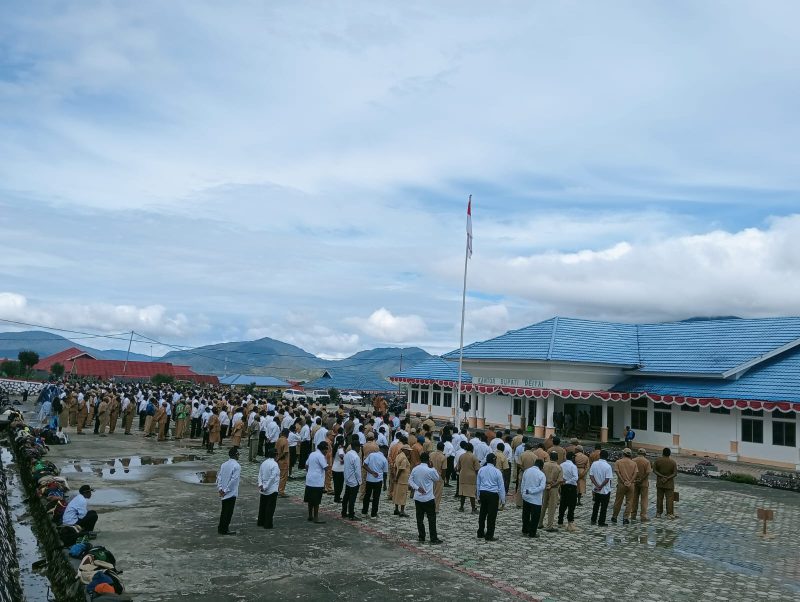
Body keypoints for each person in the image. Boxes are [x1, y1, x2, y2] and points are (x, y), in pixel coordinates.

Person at [408, 452, 442, 544]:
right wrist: (433, 467)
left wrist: (417, 488)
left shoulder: (415, 469)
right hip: (428, 498)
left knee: (419, 518)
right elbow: (437, 478)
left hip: (418, 497)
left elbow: (410, 480)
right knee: (431, 519)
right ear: (428, 460)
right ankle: (433, 538)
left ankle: (421, 536)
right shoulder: (430, 470)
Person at [476, 452, 505, 541]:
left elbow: (478, 484)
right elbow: (501, 487)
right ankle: (489, 535)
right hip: (493, 494)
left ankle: (480, 532)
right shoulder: (497, 471)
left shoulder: (481, 470)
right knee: (491, 516)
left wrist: (478, 496)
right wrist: (503, 500)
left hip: (483, 492)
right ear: (494, 461)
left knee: (482, 513)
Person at [216, 447, 241, 535]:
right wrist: (226, 490)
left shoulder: (224, 464)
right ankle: (225, 529)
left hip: (223, 491)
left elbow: (219, 477)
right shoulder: (236, 466)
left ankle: (221, 528)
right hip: (230, 492)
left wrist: (220, 489)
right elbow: (234, 480)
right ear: (236, 455)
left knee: (224, 510)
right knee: (228, 511)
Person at [520, 459, 546, 538]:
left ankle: (525, 530)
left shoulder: (527, 471)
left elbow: (522, 483)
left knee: (526, 515)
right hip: (536, 499)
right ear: (541, 466)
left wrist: (523, 493)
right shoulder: (541, 474)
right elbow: (542, 487)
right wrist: (532, 491)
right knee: (535, 517)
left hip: (526, 497)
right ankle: (532, 533)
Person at [611, 448, 638, 525]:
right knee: (629, 502)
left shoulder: (618, 462)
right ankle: (626, 518)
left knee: (618, 501)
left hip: (621, 484)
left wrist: (623, 481)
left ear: (623, 454)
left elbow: (617, 472)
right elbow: (635, 474)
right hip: (631, 485)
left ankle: (614, 516)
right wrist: (630, 481)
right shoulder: (634, 463)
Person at [304, 441, 329, 524]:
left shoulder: (312, 454)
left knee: (310, 500)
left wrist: (311, 471)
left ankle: (310, 515)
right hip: (317, 481)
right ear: (323, 449)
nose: (326, 452)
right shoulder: (321, 456)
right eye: (326, 450)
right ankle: (316, 517)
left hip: (309, 480)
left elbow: (306, 465)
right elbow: (325, 468)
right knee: (316, 501)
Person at [539, 451, 563, 532]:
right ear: (557, 458)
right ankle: (549, 525)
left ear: (550, 457)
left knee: (543, 505)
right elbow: (560, 480)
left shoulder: (544, 465)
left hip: (545, 486)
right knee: (552, 507)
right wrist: (552, 485)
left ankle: (539, 523)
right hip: (554, 488)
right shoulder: (559, 467)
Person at [362, 446, 389, 518]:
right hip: (378, 481)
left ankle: (364, 511)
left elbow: (364, 465)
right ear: (385, 451)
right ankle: (373, 513)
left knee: (367, 496)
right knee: (376, 497)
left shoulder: (371, 455)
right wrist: (385, 485)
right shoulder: (384, 459)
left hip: (369, 479)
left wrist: (371, 472)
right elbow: (385, 473)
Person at [257, 447, 280, 529]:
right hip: (271, 489)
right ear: (275, 455)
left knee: (262, 506)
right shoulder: (275, 465)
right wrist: (266, 487)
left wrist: (260, 484)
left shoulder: (264, 463)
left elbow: (260, 474)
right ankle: (267, 524)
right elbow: (272, 478)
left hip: (263, 487)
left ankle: (261, 521)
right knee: (270, 508)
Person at [589, 449, 613, 527]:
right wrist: (601, 486)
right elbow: (607, 479)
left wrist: (596, 485)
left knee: (596, 504)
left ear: (600, 455)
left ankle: (593, 519)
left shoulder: (594, 464)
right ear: (607, 457)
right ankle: (601, 521)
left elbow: (591, 476)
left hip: (596, 489)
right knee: (604, 507)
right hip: (605, 490)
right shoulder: (608, 466)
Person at [653, 447, 678, 519]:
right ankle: (669, 513)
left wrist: (661, 476)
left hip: (660, 482)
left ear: (662, 453)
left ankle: (658, 513)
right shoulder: (673, 462)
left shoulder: (658, 461)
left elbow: (654, 470)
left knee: (659, 498)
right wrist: (667, 478)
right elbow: (675, 473)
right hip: (669, 483)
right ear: (669, 454)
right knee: (669, 499)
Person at [557, 451, 579, 532]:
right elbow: (575, 478)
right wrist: (568, 481)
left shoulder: (561, 465)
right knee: (571, 505)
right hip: (571, 487)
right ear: (572, 458)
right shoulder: (573, 466)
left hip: (563, 486)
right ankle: (570, 523)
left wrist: (563, 481)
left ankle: (560, 521)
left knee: (563, 503)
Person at [342, 440, 362, 520]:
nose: (360, 449)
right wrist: (359, 481)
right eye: (359, 447)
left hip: (347, 478)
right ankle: (351, 514)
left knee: (346, 497)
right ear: (356, 447)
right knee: (352, 499)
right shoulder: (356, 457)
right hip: (354, 480)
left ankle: (343, 512)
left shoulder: (347, 454)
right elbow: (357, 471)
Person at [457, 442, 480, 514]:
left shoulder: (461, 456)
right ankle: (473, 508)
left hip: (462, 476)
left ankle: (461, 507)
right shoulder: (474, 457)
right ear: (472, 449)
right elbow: (477, 469)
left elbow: (458, 467)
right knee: (471, 493)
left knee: (463, 492)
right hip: (471, 477)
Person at [631, 448, 652, 522]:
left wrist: (636, 479)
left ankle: (633, 515)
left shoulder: (633, 460)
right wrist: (642, 479)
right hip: (644, 483)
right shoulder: (647, 461)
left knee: (634, 499)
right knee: (644, 499)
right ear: (645, 454)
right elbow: (648, 472)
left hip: (635, 482)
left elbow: (632, 471)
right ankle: (643, 516)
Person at [276, 429, 290, 497]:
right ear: (287, 434)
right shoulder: (285, 441)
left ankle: (277, 489)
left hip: (278, 461)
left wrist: (277, 459)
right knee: (283, 477)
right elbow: (285, 452)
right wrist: (279, 458)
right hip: (283, 462)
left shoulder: (278, 440)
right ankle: (281, 491)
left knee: (278, 476)